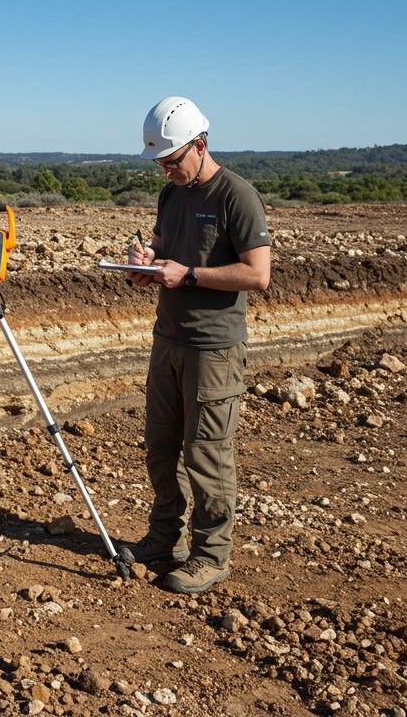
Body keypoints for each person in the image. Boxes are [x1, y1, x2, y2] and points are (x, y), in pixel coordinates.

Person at [123, 96, 272, 593]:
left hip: (213, 350)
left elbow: (258, 274)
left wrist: (187, 275)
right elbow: (168, 250)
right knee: (161, 448)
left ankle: (211, 555)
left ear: (199, 145)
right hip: (168, 340)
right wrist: (148, 261)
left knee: (206, 453)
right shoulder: (172, 195)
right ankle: (165, 540)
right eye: (160, 165)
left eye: (171, 161)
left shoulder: (237, 197)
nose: (166, 172)